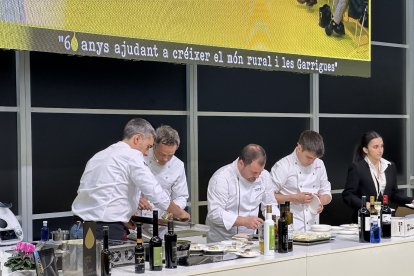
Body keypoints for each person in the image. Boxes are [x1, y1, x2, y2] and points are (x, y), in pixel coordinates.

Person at [71, 118, 189, 240]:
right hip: (104, 230)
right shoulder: (131, 155)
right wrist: (180, 213)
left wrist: (125, 217)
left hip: (79, 227)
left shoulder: (100, 155)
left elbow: (108, 193)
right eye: (148, 146)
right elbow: (155, 192)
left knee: (81, 260)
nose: (146, 153)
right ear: (137, 139)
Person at [205, 144, 279, 243]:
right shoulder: (222, 178)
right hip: (222, 242)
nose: (257, 176)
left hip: (249, 240)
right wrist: (244, 221)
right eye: (254, 172)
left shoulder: (264, 176)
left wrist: (277, 220)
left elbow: (269, 204)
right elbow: (215, 214)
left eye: (260, 172)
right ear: (241, 163)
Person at [342, 130, 414, 222]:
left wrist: (411, 200)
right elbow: (348, 195)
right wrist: (365, 205)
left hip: (386, 218)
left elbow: (394, 193)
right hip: (365, 219)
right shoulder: (357, 168)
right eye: (376, 147)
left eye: (381, 146)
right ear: (365, 150)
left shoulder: (390, 166)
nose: (380, 150)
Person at [271, 130, 332, 232]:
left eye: (315, 158)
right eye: (309, 157)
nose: (312, 161)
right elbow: (267, 197)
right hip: (289, 226)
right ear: (299, 148)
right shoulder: (283, 166)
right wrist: (293, 198)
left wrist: (320, 201)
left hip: (314, 228)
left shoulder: (319, 164)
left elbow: (326, 192)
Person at [138, 125, 189, 237]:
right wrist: (137, 199)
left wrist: (175, 209)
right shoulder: (140, 158)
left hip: (164, 224)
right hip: (139, 222)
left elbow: (181, 196)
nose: (165, 159)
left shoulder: (178, 165)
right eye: (162, 154)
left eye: (170, 155)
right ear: (154, 146)